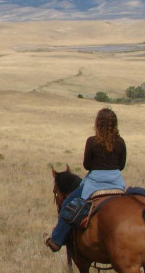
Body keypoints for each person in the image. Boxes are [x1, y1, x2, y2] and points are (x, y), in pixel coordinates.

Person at [45, 108, 127, 252]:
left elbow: (86, 165)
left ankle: (56, 240)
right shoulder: (120, 142)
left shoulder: (91, 141)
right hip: (116, 184)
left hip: (95, 184)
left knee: (68, 205)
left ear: (97, 124)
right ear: (114, 124)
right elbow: (121, 165)